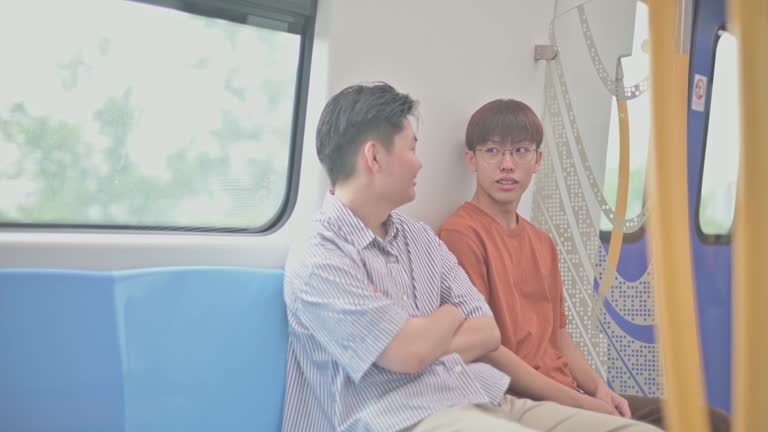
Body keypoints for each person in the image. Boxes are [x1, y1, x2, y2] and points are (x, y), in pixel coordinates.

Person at [282, 83, 662, 432]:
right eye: (412, 148)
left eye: (520, 151)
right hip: (400, 417)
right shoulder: (319, 257)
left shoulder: (416, 237)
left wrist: (421, 335)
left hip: (484, 397)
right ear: (375, 156)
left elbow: (486, 331)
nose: (420, 163)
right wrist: (442, 323)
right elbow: (412, 351)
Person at [437, 98, 731, 432]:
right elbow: (486, 349)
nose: (507, 164)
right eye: (492, 151)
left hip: (565, 389)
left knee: (713, 422)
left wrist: (598, 389)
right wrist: (579, 401)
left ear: (537, 160)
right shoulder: (461, 233)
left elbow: (559, 335)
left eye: (520, 151)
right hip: (520, 399)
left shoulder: (541, 241)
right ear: (471, 160)